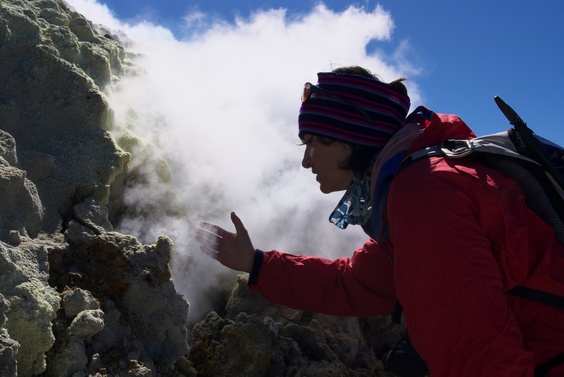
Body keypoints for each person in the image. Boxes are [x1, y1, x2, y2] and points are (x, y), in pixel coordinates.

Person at [194, 66, 564, 376]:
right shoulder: (418, 184)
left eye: (313, 142)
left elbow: (476, 352)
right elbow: (354, 284)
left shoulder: (425, 193)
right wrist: (255, 264)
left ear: (349, 140)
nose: (306, 161)